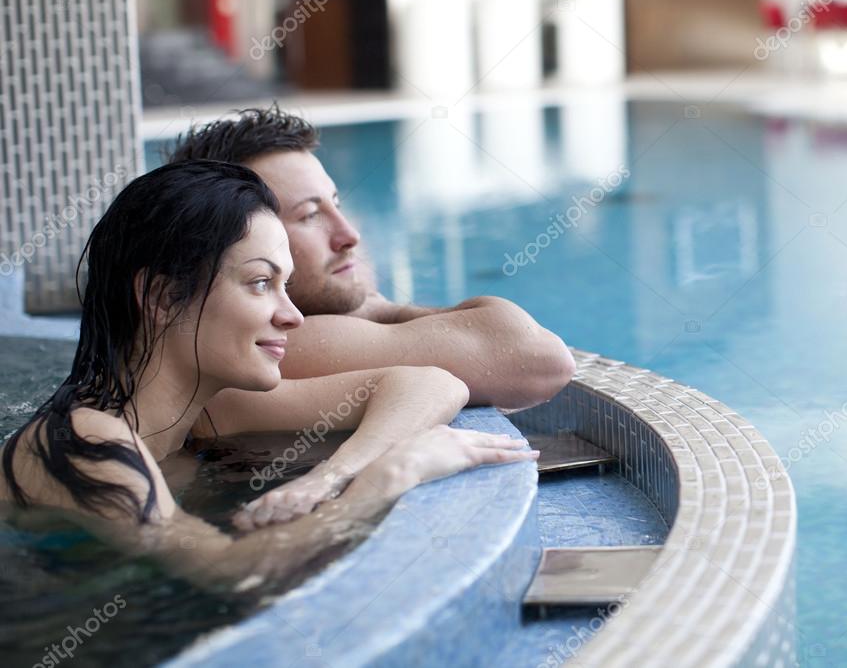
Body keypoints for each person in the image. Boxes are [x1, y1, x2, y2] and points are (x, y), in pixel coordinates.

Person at [0, 161, 538, 592]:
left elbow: (433, 384)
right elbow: (229, 571)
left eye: (286, 285)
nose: (292, 315)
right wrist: (386, 479)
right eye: (260, 283)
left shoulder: (208, 411)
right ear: (162, 298)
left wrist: (331, 475)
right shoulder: (85, 441)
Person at [167, 106, 576, 523]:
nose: (349, 235)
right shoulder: (271, 348)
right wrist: (381, 308)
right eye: (310, 215)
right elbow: (537, 359)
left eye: (336, 203)